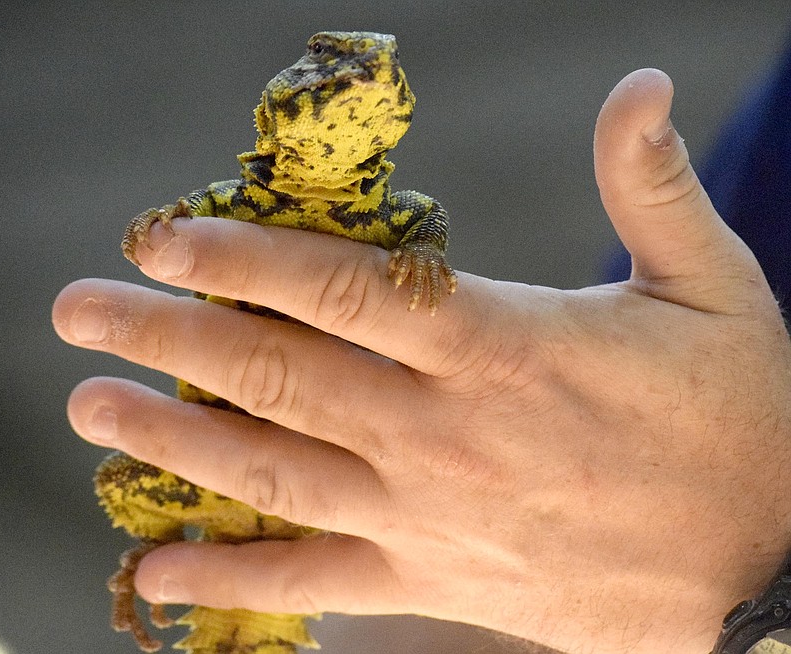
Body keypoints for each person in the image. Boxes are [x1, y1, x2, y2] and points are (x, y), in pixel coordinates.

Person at [52, 68, 791, 654]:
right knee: (135, 478)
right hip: (338, 526)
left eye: (375, 75)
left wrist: (767, 591)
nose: (355, 73)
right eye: (329, 62)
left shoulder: (400, 217)